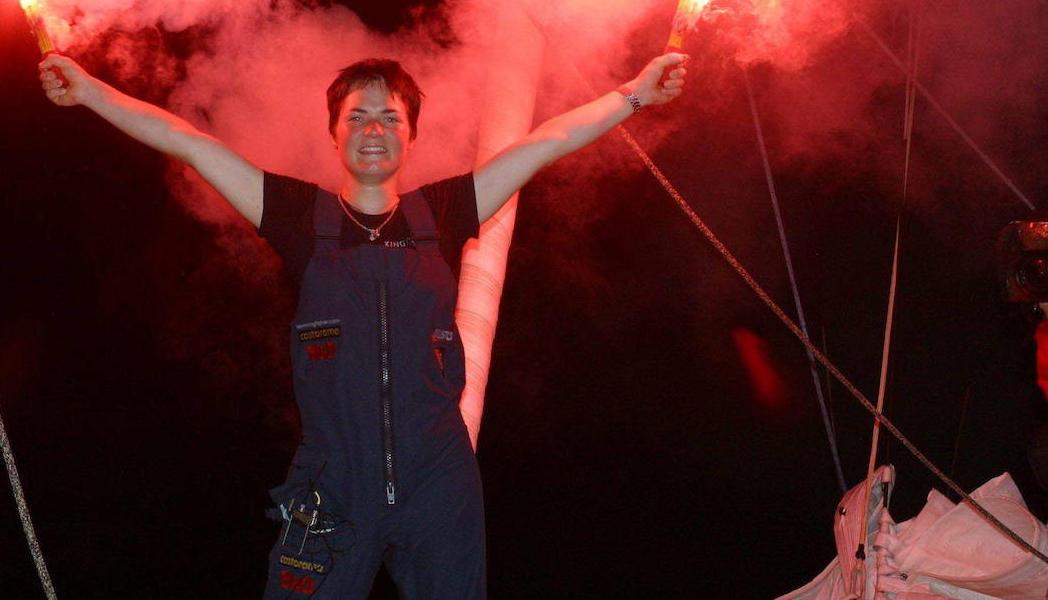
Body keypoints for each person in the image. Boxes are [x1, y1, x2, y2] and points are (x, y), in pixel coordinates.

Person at [39, 50, 687, 598]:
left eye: (390, 117)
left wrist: (635, 94)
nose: (373, 128)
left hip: (439, 480)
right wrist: (92, 92)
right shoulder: (298, 215)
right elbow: (190, 143)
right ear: (335, 132)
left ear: (410, 135)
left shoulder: (445, 211)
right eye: (358, 116)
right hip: (333, 485)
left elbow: (547, 142)